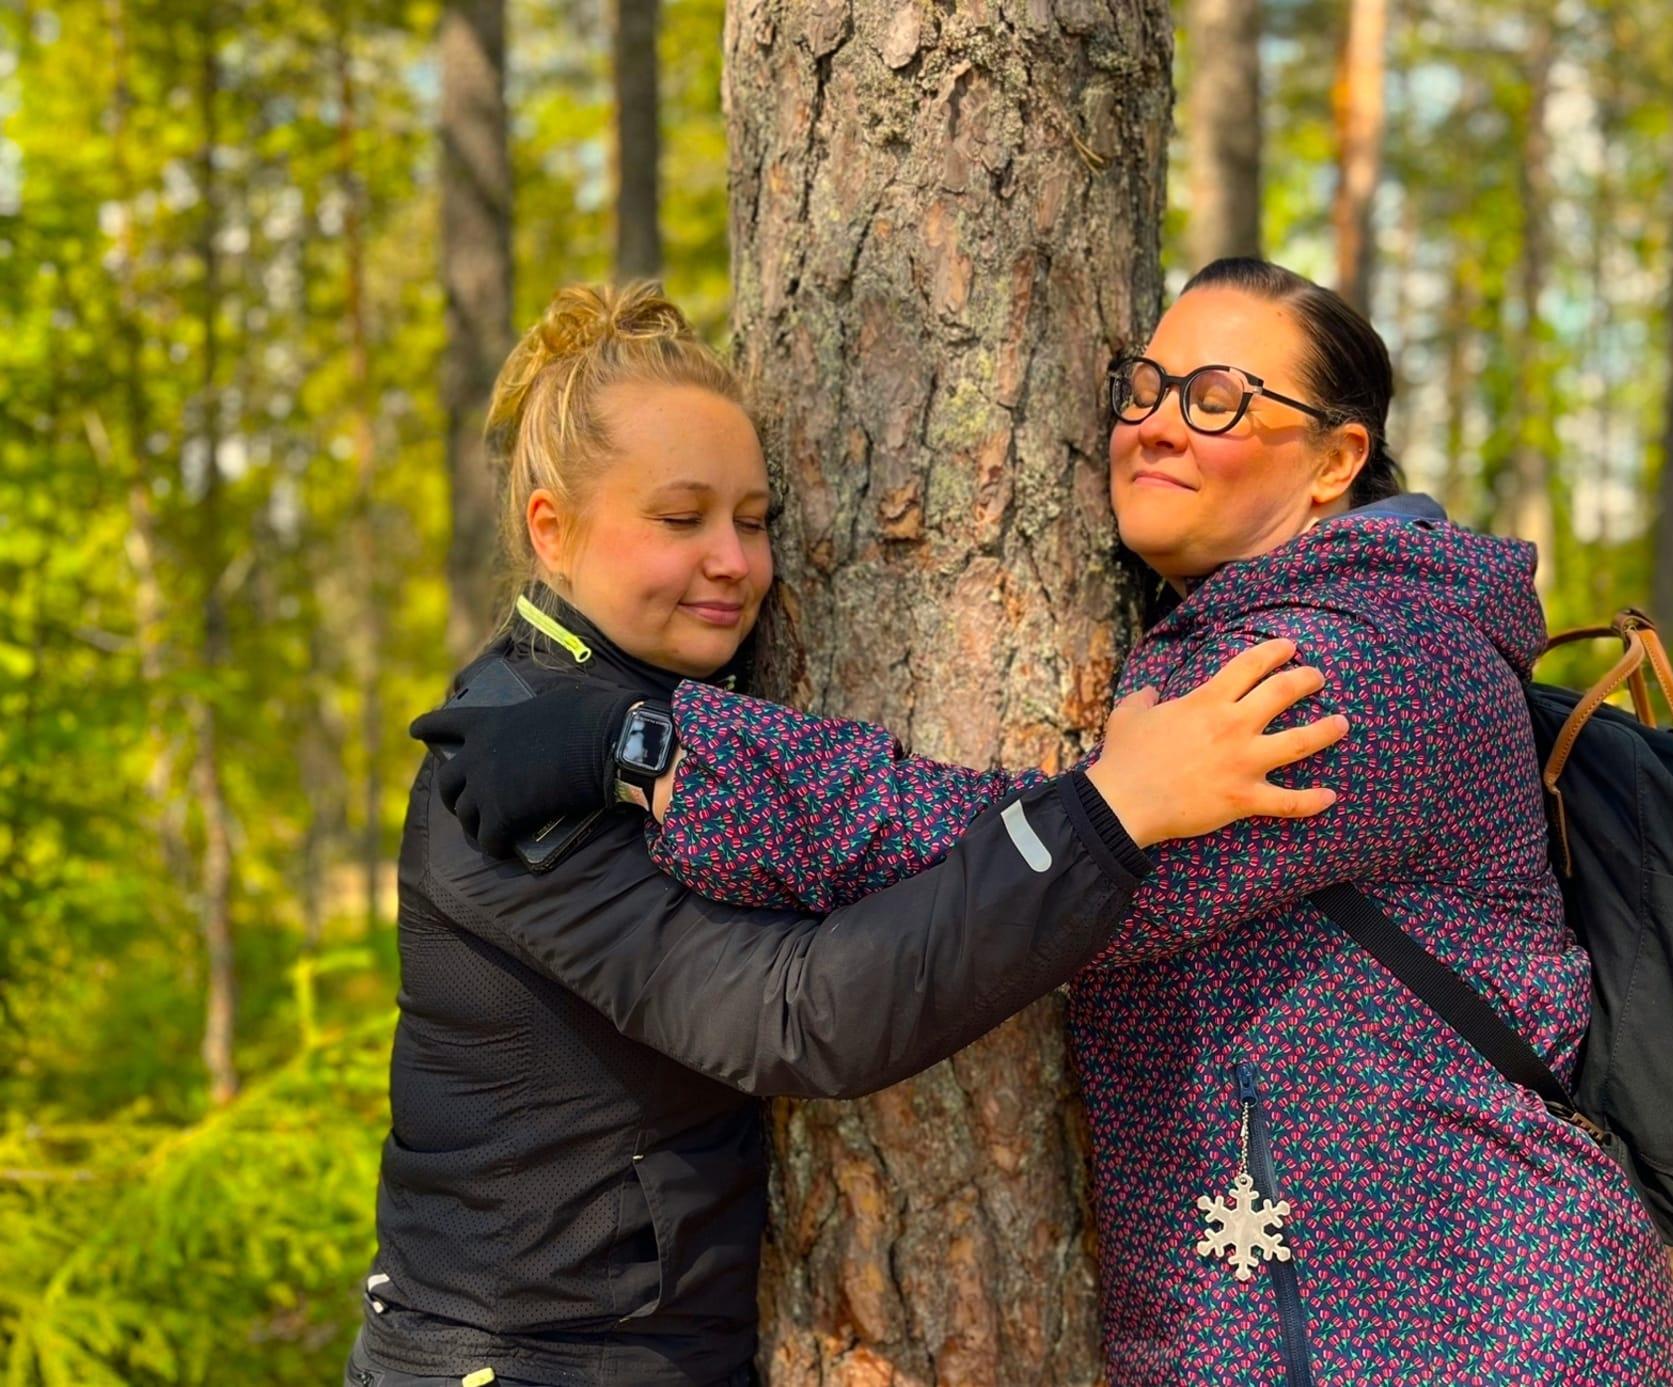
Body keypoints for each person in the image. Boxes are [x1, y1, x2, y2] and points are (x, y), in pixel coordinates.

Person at [434, 261, 1673, 1384]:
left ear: (1334, 460)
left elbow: (1012, 853)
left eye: (1220, 397)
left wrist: (649, 745)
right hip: (1322, 1312)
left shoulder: (1340, 672)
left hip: (1474, 1320)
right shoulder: (1227, 637)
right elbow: (1051, 850)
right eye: (1143, 386)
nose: (1155, 423)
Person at [352, 281, 1349, 1387]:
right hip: (523, 1361)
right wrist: (1107, 815)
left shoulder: (654, 703)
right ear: (554, 528)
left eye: (755, 518)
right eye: (680, 520)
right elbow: (798, 1013)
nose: (733, 561)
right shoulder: (507, 770)